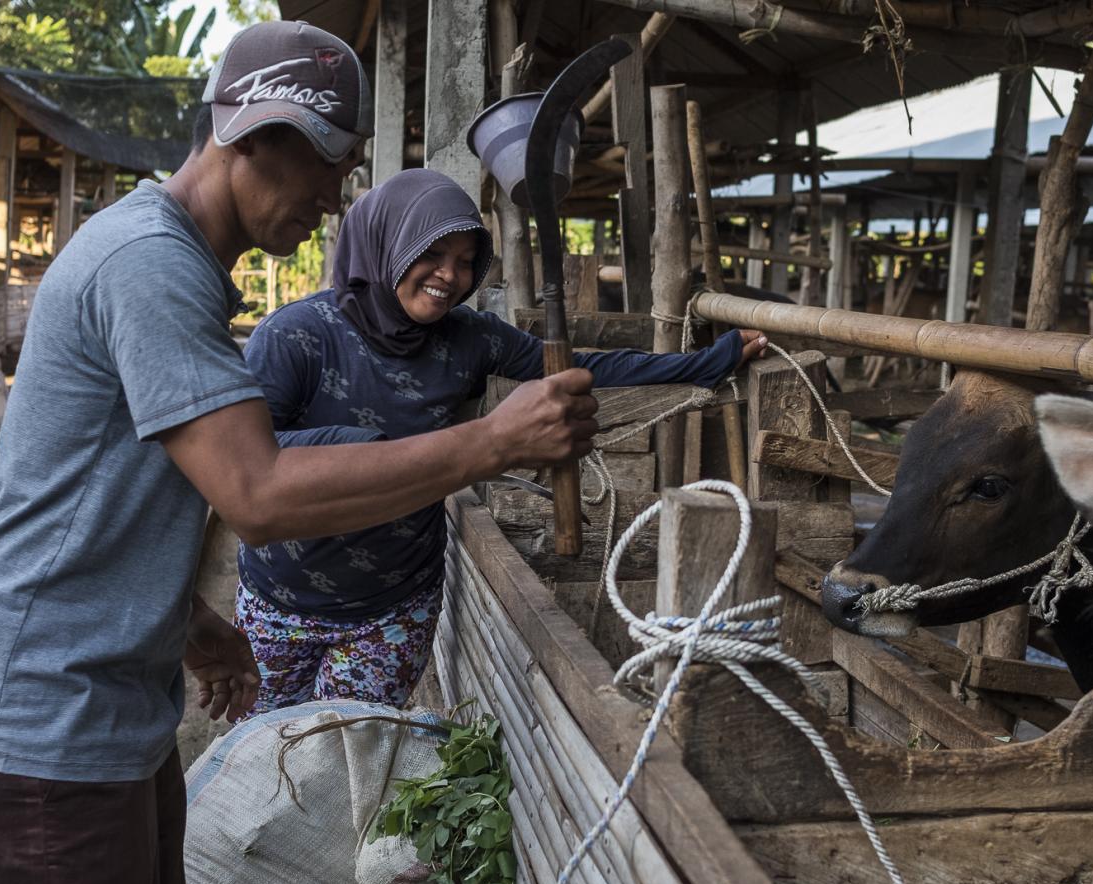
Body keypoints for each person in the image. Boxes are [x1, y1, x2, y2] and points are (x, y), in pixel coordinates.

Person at [0, 22, 598, 884]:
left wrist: (196, 626)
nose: (335, 200)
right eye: (328, 166)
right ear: (259, 141)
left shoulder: (173, 264)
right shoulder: (153, 268)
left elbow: (97, 489)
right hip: (44, 728)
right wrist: (490, 442)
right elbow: (260, 493)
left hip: (105, 712)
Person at [236, 168, 769, 714]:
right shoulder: (295, 337)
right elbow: (245, 459)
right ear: (387, 243)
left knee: (345, 752)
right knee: (262, 756)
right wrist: (368, 446)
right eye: (433, 254)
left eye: (466, 261)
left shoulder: (469, 338)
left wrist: (706, 362)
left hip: (393, 609)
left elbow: (575, 368)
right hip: (280, 598)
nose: (450, 275)